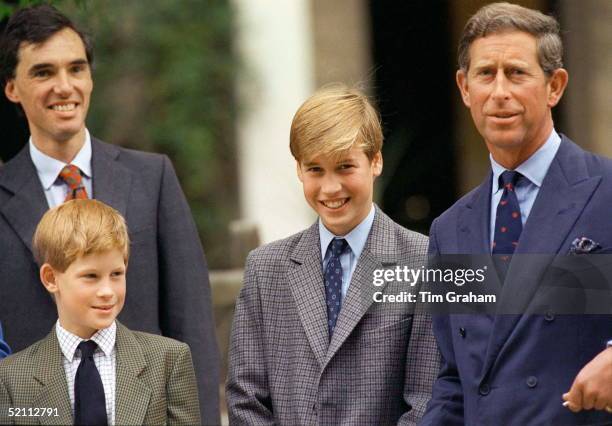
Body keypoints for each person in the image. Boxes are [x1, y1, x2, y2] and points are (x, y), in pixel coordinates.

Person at [0, 5, 219, 422]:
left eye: (76, 69)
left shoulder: (152, 178)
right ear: (12, 87)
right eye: (43, 72)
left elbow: (191, 326)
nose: (64, 87)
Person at [420, 3, 612, 425]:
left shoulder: (607, 188)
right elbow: (453, 381)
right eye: (486, 73)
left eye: (517, 73)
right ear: (465, 88)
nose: (500, 91)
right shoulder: (448, 231)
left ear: (555, 86)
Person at [226, 85, 439, 425]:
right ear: (299, 169)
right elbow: (245, 397)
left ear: (376, 160)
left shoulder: (424, 260)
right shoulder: (265, 268)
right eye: (315, 170)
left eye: (344, 167)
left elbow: (426, 399)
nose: (330, 188)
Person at [0, 199, 200, 425]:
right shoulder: (11, 378)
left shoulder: (168, 360)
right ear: (51, 278)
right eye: (91, 276)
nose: (107, 291)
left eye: (116, 274)